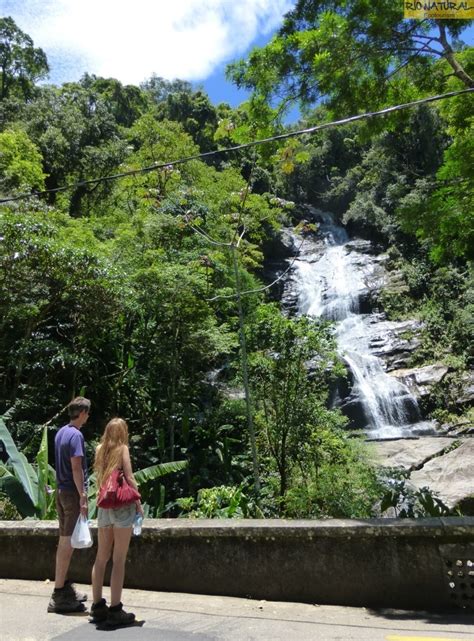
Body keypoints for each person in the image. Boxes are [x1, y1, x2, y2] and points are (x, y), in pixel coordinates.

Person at [90, 418, 143, 627]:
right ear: (123, 432)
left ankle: (97, 606)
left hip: (103, 507)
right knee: (118, 559)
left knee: (101, 558)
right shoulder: (122, 449)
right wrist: (138, 504)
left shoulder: (99, 449)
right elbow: (129, 477)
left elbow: (99, 477)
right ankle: (115, 609)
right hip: (121, 508)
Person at [48, 396, 91, 614]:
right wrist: (83, 496)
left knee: (65, 540)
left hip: (61, 491)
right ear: (82, 413)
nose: (88, 417)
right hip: (71, 494)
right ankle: (58, 593)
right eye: (87, 413)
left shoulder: (61, 432)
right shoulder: (75, 435)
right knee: (67, 542)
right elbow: (76, 467)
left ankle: (63, 587)